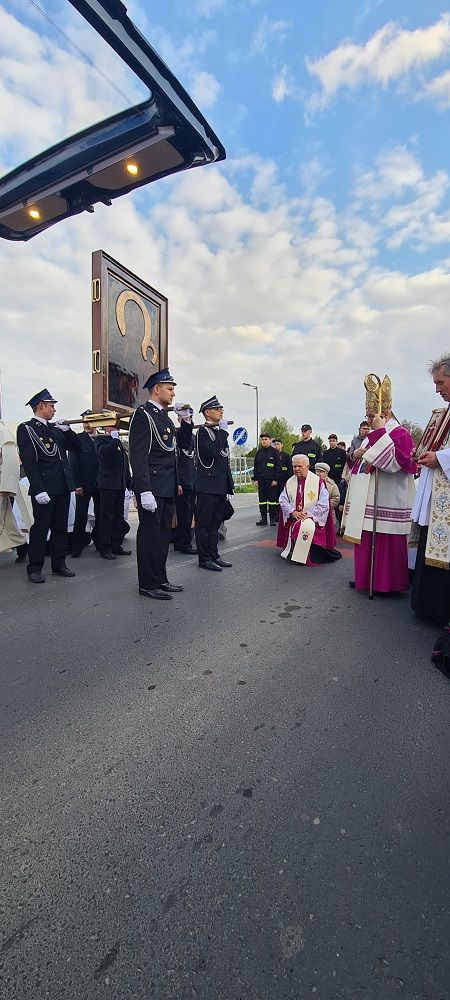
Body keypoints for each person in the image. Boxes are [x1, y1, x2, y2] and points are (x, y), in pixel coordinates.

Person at [129, 368, 188, 600]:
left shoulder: (163, 417)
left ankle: (160, 578)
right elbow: (138, 456)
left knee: (163, 538)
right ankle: (147, 583)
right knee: (149, 537)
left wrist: (186, 420)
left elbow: (177, 450)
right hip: (152, 488)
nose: (173, 393)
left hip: (166, 486)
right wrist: (143, 490)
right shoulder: (143, 415)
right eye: (170, 388)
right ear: (156, 389)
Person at [343, 410, 416, 593]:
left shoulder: (400, 433)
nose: (369, 420)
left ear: (386, 412)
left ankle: (387, 584)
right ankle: (365, 579)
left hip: (388, 498)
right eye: (367, 416)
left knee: (386, 539)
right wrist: (355, 455)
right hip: (366, 497)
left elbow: (392, 464)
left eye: (372, 415)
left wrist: (380, 433)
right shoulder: (370, 435)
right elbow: (360, 465)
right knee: (366, 537)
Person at [16, 388, 80, 583]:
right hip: (45, 488)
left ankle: (58, 564)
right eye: (51, 406)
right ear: (41, 406)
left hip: (62, 486)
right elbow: (29, 462)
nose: (54, 409)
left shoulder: (55, 429)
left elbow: (76, 447)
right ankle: (34, 567)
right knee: (41, 529)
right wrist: (38, 488)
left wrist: (68, 431)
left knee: (60, 528)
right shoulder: (27, 429)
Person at [410, 354, 450, 626]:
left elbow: (442, 453)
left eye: (440, 383)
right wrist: (423, 453)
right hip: (436, 494)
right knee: (430, 544)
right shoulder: (443, 414)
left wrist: (441, 458)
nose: (437, 390)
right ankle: (428, 605)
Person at [277, 455, 341, 564]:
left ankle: (307, 555)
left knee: (302, 526)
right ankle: (297, 551)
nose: (296, 469)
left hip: (312, 518)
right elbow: (282, 500)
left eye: (300, 466)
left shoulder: (318, 482)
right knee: (297, 525)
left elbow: (324, 503)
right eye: (294, 466)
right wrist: (293, 512)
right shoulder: (289, 482)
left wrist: (309, 514)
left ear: (307, 466)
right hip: (295, 516)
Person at [195, 395, 234, 571]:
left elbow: (225, 462)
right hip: (207, 486)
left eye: (221, 409)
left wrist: (229, 486)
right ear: (207, 412)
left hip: (219, 486)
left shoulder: (218, 433)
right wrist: (223, 433)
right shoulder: (203, 432)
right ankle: (204, 558)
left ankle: (214, 554)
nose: (221, 412)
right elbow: (211, 452)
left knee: (215, 524)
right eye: (217, 409)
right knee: (204, 524)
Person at [95, 424, 132, 559]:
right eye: (112, 427)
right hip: (107, 485)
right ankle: (105, 548)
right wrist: (114, 440)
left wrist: (129, 483)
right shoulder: (100, 440)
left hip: (119, 485)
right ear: (106, 428)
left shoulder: (118, 442)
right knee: (106, 517)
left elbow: (124, 464)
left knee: (118, 517)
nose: (116, 429)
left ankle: (116, 545)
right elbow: (104, 454)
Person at [68, 410, 100, 557]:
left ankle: (100, 542)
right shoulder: (78, 439)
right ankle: (77, 545)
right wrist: (77, 485)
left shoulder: (101, 438)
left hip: (99, 484)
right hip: (84, 485)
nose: (87, 425)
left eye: (90, 422)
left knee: (101, 515)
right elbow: (73, 463)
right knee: (81, 516)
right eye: (84, 422)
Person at [173, 403, 197, 555]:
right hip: (182, 481)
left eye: (190, 417)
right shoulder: (176, 435)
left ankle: (182, 541)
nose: (189, 420)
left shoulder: (193, 437)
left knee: (189, 515)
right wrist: (178, 482)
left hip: (192, 481)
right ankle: (183, 543)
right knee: (183, 515)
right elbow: (176, 460)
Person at [0, 419, 24, 554]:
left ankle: (21, 545)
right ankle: (21, 545)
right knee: (6, 523)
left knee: (5, 521)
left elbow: (10, 461)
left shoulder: (2, 432)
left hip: (1, 484)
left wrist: (7, 487)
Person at [252, 433, 281, 526]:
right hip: (261, 481)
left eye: (265, 439)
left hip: (271, 481)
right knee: (262, 501)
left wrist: (276, 479)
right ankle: (263, 519)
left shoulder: (275, 452)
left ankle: (272, 518)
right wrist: (255, 479)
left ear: (269, 440)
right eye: (262, 439)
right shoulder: (259, 453)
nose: (264, 441)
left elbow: (278, 467)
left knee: (272, 501)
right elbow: (255, 467)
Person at [315, 461, 342, 557]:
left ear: (326, 473)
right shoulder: (311, 482)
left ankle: (326, 548)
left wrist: (326, 506)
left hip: (327, 513)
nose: (318, 473)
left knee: (327, 531)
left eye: (321, 472)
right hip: (314, 513)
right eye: (317, 471)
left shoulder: (332, 485)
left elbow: (336, 497)